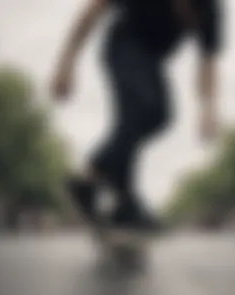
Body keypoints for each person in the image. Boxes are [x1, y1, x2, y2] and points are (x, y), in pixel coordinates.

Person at [51, 0, 224, 231]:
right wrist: (66, 63)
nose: (187, 18)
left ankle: (100, 187)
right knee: (144, 107)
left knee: (159, 117)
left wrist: (208, 109)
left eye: (193, 14)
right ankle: (118, 197)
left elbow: (207, 61)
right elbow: (92, 12)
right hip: (122, 45)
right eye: (184, 8)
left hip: (152, 60)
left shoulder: (210, 10)